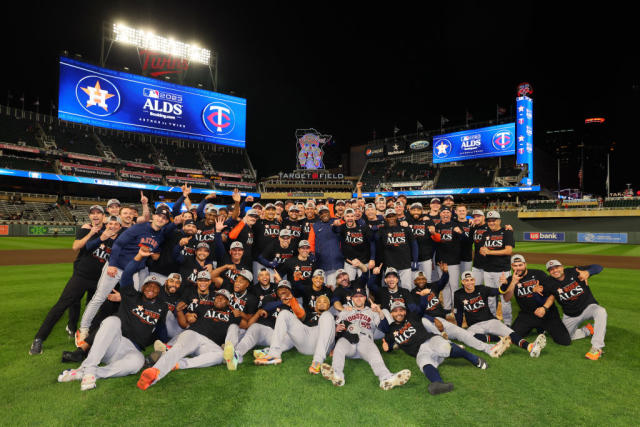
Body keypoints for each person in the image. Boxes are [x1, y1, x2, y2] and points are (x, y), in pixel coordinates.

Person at [58, 249, 168, 391]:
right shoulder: (131, 295)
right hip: (113, 342)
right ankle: (89, 367)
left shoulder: (161, 307)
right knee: (112, 321)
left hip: (132, 349)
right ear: (142, 287)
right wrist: (138, 256)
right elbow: (127, 274)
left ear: (159, 291)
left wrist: (165, 347)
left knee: (138, 362)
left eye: (155, 286)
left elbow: (161, 329)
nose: (151, 288)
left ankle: (90, 373)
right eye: (148, 285)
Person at [75, 205, 178, 346]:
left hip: (133, 271)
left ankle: (126, 331)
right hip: (116, 266)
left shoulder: (160, 236)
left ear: (166, 221)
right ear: (154, 216)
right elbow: (118, 244)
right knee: (99, 297)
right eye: (159, 215)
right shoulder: (139, 227)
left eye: (164, 218)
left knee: (132, 302)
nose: (161, 219)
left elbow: (169, 232)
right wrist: (111, 264)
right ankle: (84, 329)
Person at [30, 208, 118, 355]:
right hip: (81, 276)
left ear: (104, 216)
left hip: (99, 280)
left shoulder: (114, 231)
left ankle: (87, 341)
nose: (95, 215)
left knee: (94, 312)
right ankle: (39, 339)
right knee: (62, 305)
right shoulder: (87, 229)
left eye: (99, 213)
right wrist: (93, 233)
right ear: (89, 216)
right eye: (92, 213)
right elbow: (76, 246)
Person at [136, 288, 242, 390]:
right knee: (179, 349)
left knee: (220, 355)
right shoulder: (204, 307)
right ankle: (155, 372)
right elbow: (187, 315)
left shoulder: (233, 315)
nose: (219, 299)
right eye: (217, 297)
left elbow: (243, 326)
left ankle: (180, 363)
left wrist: (237, 312)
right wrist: (188, 315)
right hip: (194, 334)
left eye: (223, 298)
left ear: (228, 302)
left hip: (210, 344)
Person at [381, 300, 488, 395]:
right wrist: (387, 347)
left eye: (401, 310)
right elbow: (389, 345)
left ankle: (474, 359)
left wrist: (423, 296)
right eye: (395, 311)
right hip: (420, 351)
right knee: (422, 362)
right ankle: (438, 383)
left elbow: (422, 307)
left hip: (431, 340)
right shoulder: (390, 331)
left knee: (444, 348)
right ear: (391, 313)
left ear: (405, 311)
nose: (399, 313)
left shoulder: (412, 317)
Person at [319, 286, 412, 389]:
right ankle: (337, 374)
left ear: (365, 298)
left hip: (365, 340)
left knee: (374, 352)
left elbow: (386, 329)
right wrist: (336, 330)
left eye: (361, 296)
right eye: (356, 296)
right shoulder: (345, 311)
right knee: (340, 344)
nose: (358, 298)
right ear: (352, 299)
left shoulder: (372, 312)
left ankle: (386, 378)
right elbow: (332, 331)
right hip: (348, 341)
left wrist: (379, 312)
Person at [454, 271, 546, 358]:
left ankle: (530, 347)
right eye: (466, 280)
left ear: (474, 280)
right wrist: (459, 328)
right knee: (468, 336)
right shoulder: (458, 294)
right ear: (462, 282)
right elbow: (459, 312)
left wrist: (505, 283)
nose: (469, 282)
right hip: (474, 325)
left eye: (471, 279)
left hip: (490, 321)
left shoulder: (482, 289)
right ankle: (499, 339)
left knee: (510, 333)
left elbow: (500, 291)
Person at [224, 280, 305, 369]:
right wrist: (281, 302)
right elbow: (266, 306)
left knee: (292, 337)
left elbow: (301, 318)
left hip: (281, 337)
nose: (283, 290)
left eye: (286, 288)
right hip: (266, 331)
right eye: (281, 288)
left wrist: (293, 305)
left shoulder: (296, 304)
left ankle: (267, 351)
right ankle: (237, 354)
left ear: (290, 291)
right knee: (254, 327)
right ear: (277, 291)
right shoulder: (269, 298)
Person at [499, 255, 571, 346]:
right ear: (511, 266)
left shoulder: (538, 274)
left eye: (520, 265)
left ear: (525, 264)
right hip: (527, 315)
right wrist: (513, 283)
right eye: (515, 265)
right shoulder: (510, 279)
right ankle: (539, 327)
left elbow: (553, 293)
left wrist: (544, 308)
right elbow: (506, 298)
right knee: (511, 337)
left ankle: (542, 327)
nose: (518, 268)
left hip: (546, 312)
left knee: (565, 341)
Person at [254, 294, 335, 373]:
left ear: (328, 306)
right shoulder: (308, 314)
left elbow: (340, 333)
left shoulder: (333, 317)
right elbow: (298, 320)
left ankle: (317, 362)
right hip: (306, 340)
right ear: (315, 306)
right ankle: (273, 354)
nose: (321, 303)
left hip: (322, 345)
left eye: (324, 302)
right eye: (319, 302)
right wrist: (291, 300)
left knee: (326, 315)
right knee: (284, 313)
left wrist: (335, 347)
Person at [544, 259, 606, 360]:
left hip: (588, 307)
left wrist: (588, 272)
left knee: (601, 311)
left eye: (557, 267)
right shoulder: (549, 283)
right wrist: (537, 290)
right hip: (570, 315)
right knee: (565, 338)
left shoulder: (574, 271)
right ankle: (589, 329)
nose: (555, 270)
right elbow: (544, 294)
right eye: (551, 269)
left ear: (562, 267)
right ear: (549, 272)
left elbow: (598, 267)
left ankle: (597, 348)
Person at [477, 211, 514, 325]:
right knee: (491, 299)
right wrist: (482, 251)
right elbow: (482, 249)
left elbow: (509, 251)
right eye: (489, 221)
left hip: (502, 271)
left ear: (499, 221)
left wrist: (490, 252)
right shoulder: (485, 234)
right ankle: (492, 321)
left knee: (504, 298)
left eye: (494, 220)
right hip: (487, 270)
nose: (492, 222)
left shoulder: (506, 232)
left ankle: (507, 322)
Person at [376, 208, 417, 290]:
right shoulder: (382, 230)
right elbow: (376, 244)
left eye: (393, 216)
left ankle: (408, 303)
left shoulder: (405, 227)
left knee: (407, 288)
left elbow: (414, 244)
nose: (391, 218)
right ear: (385, 218)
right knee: (391, 289)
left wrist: (415, 260)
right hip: (390, 265)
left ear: (396, 216)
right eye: (389, 216)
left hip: (405, 263)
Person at [332, 208, 375, 280]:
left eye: (352, 216)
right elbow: (335, 230)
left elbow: (372, 242)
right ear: (344, 218)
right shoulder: (342, 228)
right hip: (349, 263)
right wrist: (334, 225)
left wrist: (372, 259)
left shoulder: (364, 227)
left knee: (365, 286)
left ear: (355, 217)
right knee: (349, 284)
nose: (350, 218)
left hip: (363, 262)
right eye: (347, 216)